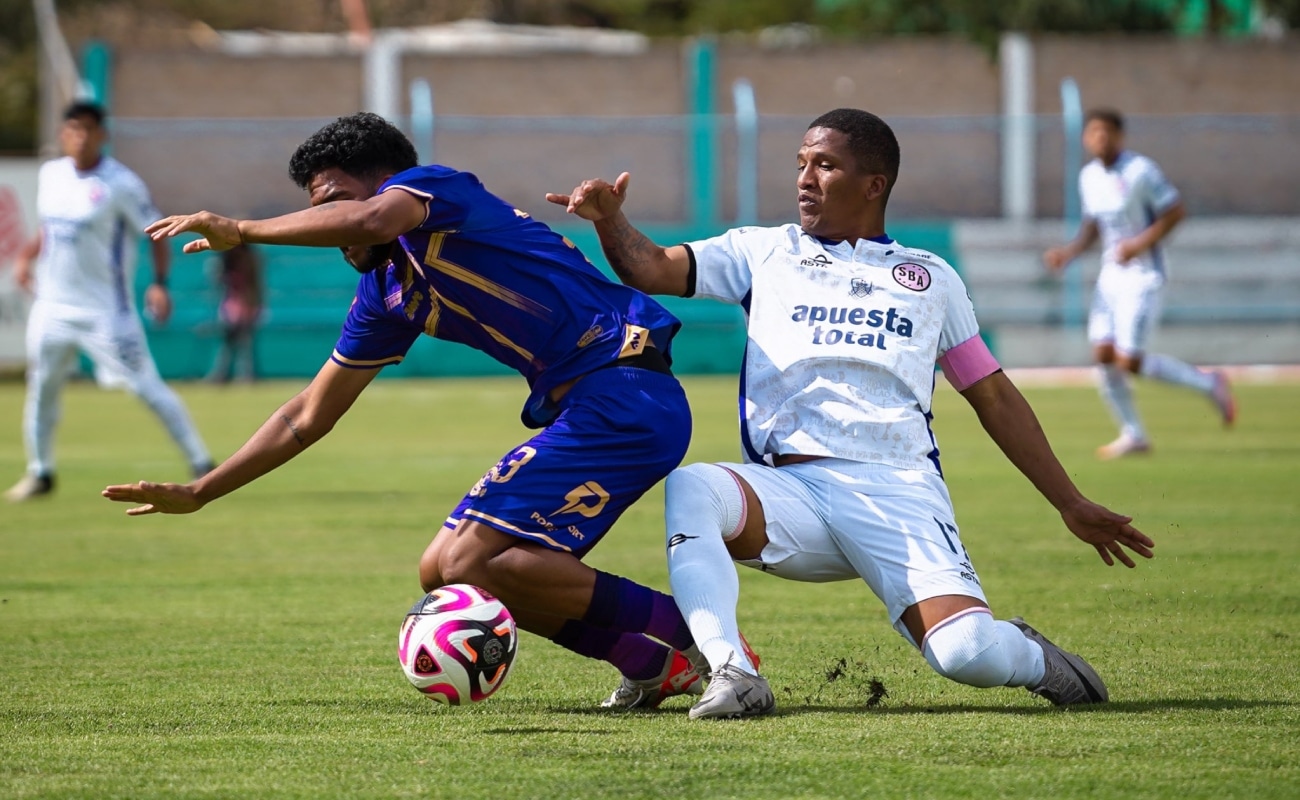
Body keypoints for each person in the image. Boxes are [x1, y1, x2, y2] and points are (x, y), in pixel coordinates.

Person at [548, 107, 1156, 719]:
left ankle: (1025, 653)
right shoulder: (764, 252)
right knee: (693, 485)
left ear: (874, 184)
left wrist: (1069, 502)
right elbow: (651, 268)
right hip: (793, 495)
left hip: (899, 494)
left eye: (825, 165)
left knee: (966, 656)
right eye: (801, 164)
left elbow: (991, 393)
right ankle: (733, 670)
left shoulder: (931, 280)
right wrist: (611, 220)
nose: (805, 179)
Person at [102, 111, 718, 708]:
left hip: (626, 390)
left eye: (334, 201)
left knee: (464, 558)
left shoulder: (436, 189)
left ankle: (704, 639)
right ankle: (653, 665)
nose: (331, 222)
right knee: (444, 573)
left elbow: (373, 218)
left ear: (386, 181)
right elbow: (308, 415)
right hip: (590, 406)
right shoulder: (385, 291)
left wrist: (240, 229)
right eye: (320, 209)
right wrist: (205, 490)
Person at [5, 101, 214, 502]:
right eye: (72, 129)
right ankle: (40, 472)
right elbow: (50, 229)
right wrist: (27, 257)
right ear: (63, 133)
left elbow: (155, 232)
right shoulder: (52, 175)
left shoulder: (121, 183)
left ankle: (201, 461)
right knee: (42, 388)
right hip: (52, 307)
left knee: (146, 387)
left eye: (88, 129)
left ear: (102, 135)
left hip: (105, 312)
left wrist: (159, 283)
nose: (80, 137)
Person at [1043, 108, 1235, 460]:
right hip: (1110, 275)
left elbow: (1175, 211)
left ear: (1119, 135)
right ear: (1085, 139)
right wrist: (1069, 253)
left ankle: (1210, 383)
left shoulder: (1141, 171)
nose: (1099, 138)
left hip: (1144, 275)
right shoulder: (1089, 176)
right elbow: (1094, 227)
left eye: (1106, 131)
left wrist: (1138, 244)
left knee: (1128, 360)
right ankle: (1133, 434)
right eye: (1093, 132)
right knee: (1103, 355)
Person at [205, 243, 263, 384]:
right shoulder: (226, 263)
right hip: (229, 307)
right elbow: (216, 279)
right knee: (228, 345)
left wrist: (250, 308)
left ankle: (246, 376)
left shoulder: (250, 263)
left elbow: (254, 289)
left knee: (245, 344)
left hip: (247, 306)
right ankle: (221, 375)